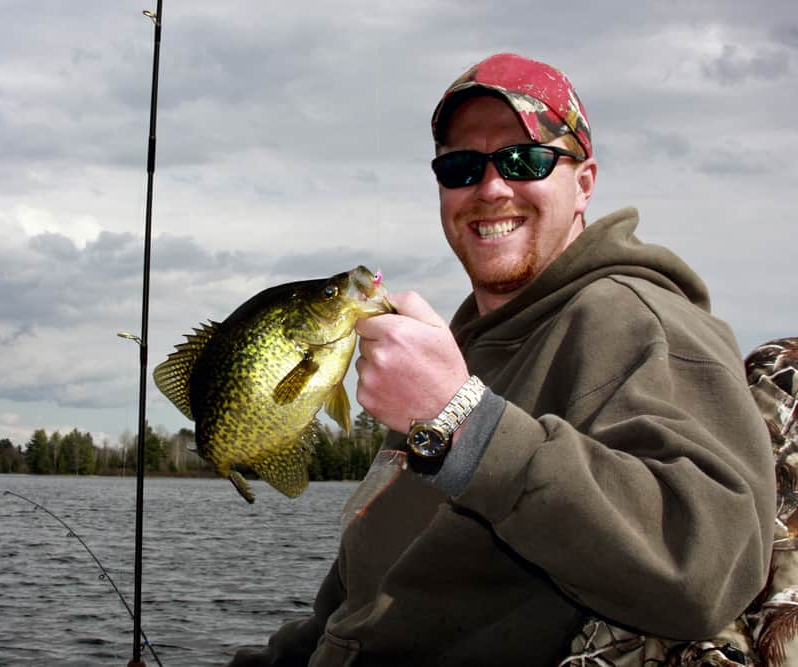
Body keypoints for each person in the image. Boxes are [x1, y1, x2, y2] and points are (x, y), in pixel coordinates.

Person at [227, 52, 776, 666]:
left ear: (584, 183)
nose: (490, 188)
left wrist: (461, 420)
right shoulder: (460, 354)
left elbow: (706, 570)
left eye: (526, 160)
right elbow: (359, 602)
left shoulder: (635, 322)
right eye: (461, 167)